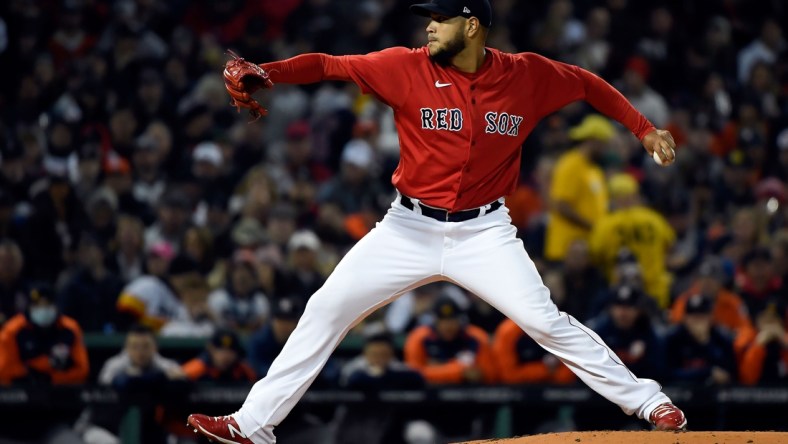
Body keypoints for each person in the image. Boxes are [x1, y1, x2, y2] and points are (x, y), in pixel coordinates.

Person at [188, 1, 686, 441]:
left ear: (471, 25)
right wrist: (268, 72)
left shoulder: (525, 75)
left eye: (440, 17)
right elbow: (328, 64)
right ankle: (252, 424)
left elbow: (586, 84)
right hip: (407, 227)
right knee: (326, 307)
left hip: (484, 232)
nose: (429, 27)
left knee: (544, 321)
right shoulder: (405, 66)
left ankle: (649, 401)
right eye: (428, 17)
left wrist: (643, 129)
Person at [590, 173, 676, 308]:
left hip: (621, 297)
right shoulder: (655, 219)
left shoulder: (605, 225)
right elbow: (670, 247)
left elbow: (596, 256)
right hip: (656, 293)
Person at [545, 114, 612, 262]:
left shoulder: (594, 169)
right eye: (604, 143)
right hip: (567, 250)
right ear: (593, 140)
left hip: (588, 249)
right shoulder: (571, 165)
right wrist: (594, 226)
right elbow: (561, 205)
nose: (606, 149)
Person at [0, 283, 89, 385]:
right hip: (23, 391)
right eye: (37, 305)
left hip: (62, 391)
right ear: (29, 307)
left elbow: (82, 370)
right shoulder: (12, 330)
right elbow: (4, 371)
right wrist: (31, 372)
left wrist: (52, 378)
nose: (43, 309)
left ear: (56, 306)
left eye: (47, 304)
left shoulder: (70, 328)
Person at [404, 296, 496, 384]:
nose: (448, 325)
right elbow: (414, 375)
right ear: (435, 321)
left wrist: (435, 369)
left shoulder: (476, 337)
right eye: (443, 320)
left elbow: (489, 375)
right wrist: (460, 371)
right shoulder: (419, 338)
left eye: (452, 319)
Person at [182, 329, 256, 382]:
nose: (225, 356)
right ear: (211, 349)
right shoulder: (198, 368)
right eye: (221, 351)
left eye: (230, 351)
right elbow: (181, 375)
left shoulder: (245, 371)